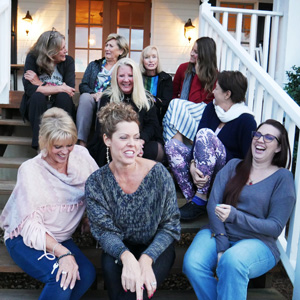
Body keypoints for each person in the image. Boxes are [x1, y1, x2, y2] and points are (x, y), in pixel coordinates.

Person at [182, 119, 296, 300]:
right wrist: (221, 243)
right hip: (218, 232)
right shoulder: (233, 165)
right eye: (257, 135)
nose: (260, 140)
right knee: (192, 263)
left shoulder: (282, 178)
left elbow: (275, 227)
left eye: (268, 137)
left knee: (233, 261)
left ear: (278, 148)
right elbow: (213, 204)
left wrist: (236, 216)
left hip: (258, 242)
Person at [0, 108, 99, 299]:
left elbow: (98, 188)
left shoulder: (81, 156)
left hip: (61, 237)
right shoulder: (30, 170)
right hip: (25, 238)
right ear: (45, 143)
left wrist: (89, 215)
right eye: (57, 147)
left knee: (86, 274)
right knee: (61, 276)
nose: (65, 152)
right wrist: (64, 254)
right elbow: (31, 227)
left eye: (69, 144)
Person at [85, 102, 181, 300]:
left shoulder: (159, 174)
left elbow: (170, 226)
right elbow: (103, 231)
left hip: (157, 246)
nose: (132, 144)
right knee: (118, 290)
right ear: (107, 139)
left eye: (136, 137)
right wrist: (126, 256)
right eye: (123, 137)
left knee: (134, 296)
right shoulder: (96, 182)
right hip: (118, 248)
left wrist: (146, 259)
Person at [165, 71, 257, 220]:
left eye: (217, 88)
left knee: (206, 134)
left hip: (225, 174)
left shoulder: (247, 120)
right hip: (200, 172)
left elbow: (247, 160)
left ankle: (201, 198)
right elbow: (197, 142)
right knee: (172, 145)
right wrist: (193, 166)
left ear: (227, 94)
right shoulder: (211, 109)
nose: (213, 91)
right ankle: (192, 199)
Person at [88, 57, 164, 167]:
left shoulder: (146, 99)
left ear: (136, 77)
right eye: (121, 76)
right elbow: (103, 127)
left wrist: (138, 142)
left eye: (130, 75)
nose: (126, 80)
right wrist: (125, 143)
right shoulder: (107, 97)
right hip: (115, 142)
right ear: (116, 77)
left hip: (141, 140)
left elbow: (152, 126)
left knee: (154, 148)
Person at [20, 28, 76, 149]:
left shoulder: (68, 61)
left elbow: (70, 90)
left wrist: (39, 83)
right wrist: (61, 87)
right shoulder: (32, 59)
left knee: (64, 96)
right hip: (37, 105)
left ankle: (63, 141)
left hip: (59, 103)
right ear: (50, 52)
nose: (66, 51)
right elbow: (30, 90)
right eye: (62, 48)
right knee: (37, 97)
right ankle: (40, 145)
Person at [76, 33, 129, 147]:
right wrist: (93, 94)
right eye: (106, 45)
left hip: (111, 100)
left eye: (111, 46)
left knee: (105, 99)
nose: (107, 49)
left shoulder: (122, 68)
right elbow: (83, 85)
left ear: (120, 51)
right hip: (92, 98)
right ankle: (82, 143)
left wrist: (104, 94)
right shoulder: (94, 65)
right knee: (85, 97)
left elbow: (124, 87)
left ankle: (100, 143)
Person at [163, 37, 217, 143]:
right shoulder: (183, 68)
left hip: (201, 115)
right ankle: (179, 147)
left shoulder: (214, 76)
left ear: (204, 55)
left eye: (196, 52)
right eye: (192, 50)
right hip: (183, 113)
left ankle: (177, 149)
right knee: (174, 108)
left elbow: (195, 100)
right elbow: (173, 94)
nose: (191, 53)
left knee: (175, 106)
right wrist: (179, 114)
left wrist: (198, 74)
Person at [140, 45, 173, 124]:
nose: (151, 60)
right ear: (142, 61)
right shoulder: (138, 77)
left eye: (154, 57)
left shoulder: (165, 78)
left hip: (157, 117)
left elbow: (165, 103)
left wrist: (150, 98)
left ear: (158, 60)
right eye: (147, 57)